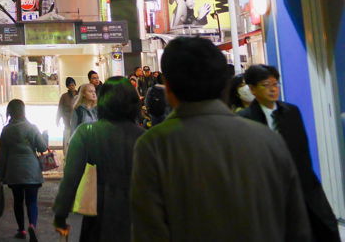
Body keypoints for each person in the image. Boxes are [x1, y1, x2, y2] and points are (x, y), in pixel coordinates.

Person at [131, 37, 310, 241]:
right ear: (225, 85)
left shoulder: (154, 146)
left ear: (169, 89)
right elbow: (297, 226)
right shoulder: (269, 139)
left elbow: (149, 232)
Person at [239, 65, 340, 241]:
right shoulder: (245, 120)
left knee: (322, 227)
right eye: (266, 85)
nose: (272, 89)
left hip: (302, 184)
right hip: (269, 189)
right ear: (253, 89)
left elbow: (302, 150)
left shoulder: (291, 112)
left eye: (275, 84)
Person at [54, 77, 144, 241]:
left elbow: (71, 177)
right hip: (137, 216)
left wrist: (61, 212)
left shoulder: (86, 132)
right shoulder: (144, 137)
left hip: (100, 213)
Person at [0, 99, 49, 240]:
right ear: (23, 111)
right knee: (31, 201)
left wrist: (0, 174)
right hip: (32, 169)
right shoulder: (32, 127)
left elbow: (2, 155)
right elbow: (43, 147)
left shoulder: (6, 130)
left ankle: (21, 230)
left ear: (10, 112)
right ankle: (32, 225)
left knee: (18, 201)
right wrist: (45, 136)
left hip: (14, 171)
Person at [56, 77, 78, 151]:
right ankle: (66, 157)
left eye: (73, 85)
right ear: (67, 86)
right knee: (67, 141)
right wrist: (57, 119)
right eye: (70, 85)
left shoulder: (79, 95)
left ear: (75, 85)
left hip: (77, 123)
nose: (72, 87)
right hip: (67, 122)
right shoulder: (64, 96)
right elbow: (60, 109)